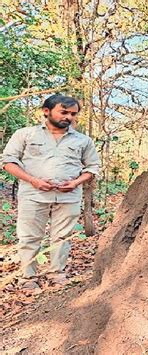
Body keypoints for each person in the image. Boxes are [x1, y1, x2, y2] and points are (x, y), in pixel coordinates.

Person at [1, 94, 100, 290]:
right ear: (46, 111)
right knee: (29, 236)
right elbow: (8, 162)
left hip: (69, 195)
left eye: (73, 114)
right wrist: (34, 181)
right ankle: (27, 277)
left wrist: (76, 182)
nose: (69, 117)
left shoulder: (83, 140)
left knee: (62, 236)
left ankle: (57, 273)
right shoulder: (26, 134)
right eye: (64, 112)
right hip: (33, 194)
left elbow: (93, 167)